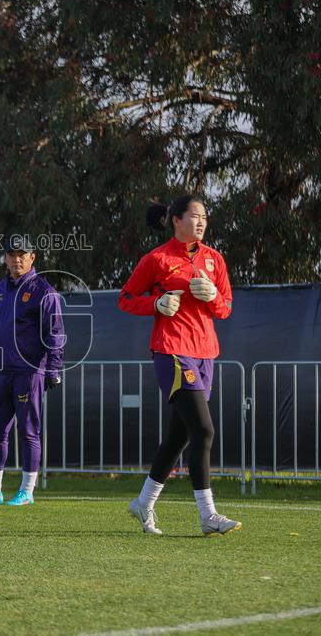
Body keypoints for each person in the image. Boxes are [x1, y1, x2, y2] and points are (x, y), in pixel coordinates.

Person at [118, 195, 241, 536]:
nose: (201, 222)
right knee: (204, 430)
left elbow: (226, 308)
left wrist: (212, 297)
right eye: (195, 216)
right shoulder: (157, 259)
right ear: (176, 220)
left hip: (205, 354)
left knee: (180, 436)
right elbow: (125, 299)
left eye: (205, 217)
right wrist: (156, 303)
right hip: (172, 351)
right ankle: (208, 515)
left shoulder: (215, 260)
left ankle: (144, 502)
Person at [0, 236, 64, 506]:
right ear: (5, 258)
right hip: (1, 372)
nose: (16, 259)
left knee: (29, 431)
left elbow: (55, 333)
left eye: (23, 254)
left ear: (33, 257)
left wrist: (53, 368)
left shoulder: (45, 291)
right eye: (11, 254)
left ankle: (27, 491)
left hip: (29, 371)